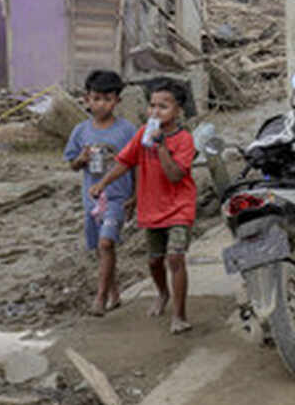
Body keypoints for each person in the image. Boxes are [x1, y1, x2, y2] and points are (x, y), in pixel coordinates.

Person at [90, 78, 196, 334]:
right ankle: (162, 293)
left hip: (180, 207)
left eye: (163, 106)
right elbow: (125, 162)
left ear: (178, 110)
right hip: (151, 208)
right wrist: (102, 183)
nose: (155, 112)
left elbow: (174, 175)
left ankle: (179, 315)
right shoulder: (142, 134)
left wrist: (159, 147)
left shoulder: (184, 140)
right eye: (152, 106)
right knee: (153, 262)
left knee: (175, 258)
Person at [64, 69, 139, 317]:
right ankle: (115, 293)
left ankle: (100, 297)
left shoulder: (127, 131)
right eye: (96, 99)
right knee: (101, 248)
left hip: (117, 198)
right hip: (92, 201)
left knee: (107, 243)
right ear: (87, 99)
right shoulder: (81, 131)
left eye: (107, 99)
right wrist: (81, 159)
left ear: (117, 100)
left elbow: (138, 164)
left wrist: (135, 196)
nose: (101, 104)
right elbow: (71, 163)